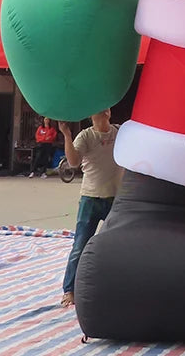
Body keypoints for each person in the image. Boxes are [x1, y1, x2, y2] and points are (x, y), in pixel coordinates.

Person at [59, 109, 123, 307]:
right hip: (90, 198)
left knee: (117, 246)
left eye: (106, 108)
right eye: (98, 110)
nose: (103, 112)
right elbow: (73, 162)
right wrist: (66, 135)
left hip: (114, 198)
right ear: (91, 115)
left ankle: (114, 286)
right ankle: (69, 289)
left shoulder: (119, 132)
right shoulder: (86, 136)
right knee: (80, 245)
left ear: (110, 112)